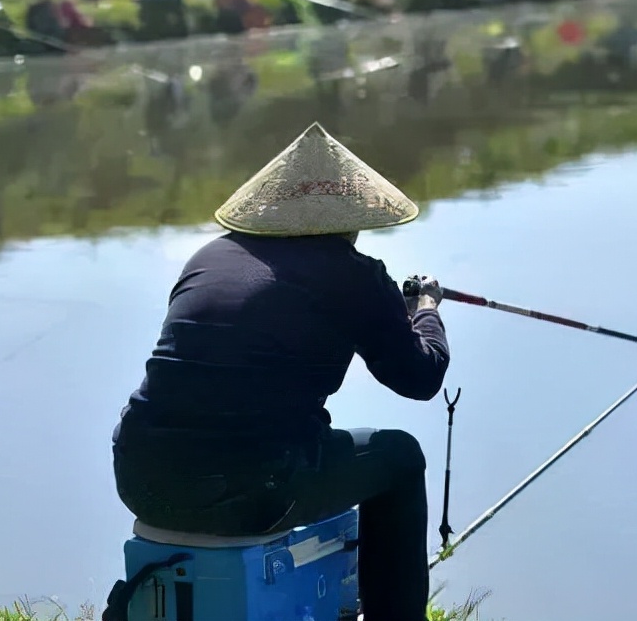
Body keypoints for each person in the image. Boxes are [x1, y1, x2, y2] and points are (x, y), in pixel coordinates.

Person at [111, 122, 451, 621]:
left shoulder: (209, 257)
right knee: (399, 456)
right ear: (352, 218)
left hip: (139, 476)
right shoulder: (354, 273)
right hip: (249, 490)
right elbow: (421, 378)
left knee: (302, 441)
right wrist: (425, 309)